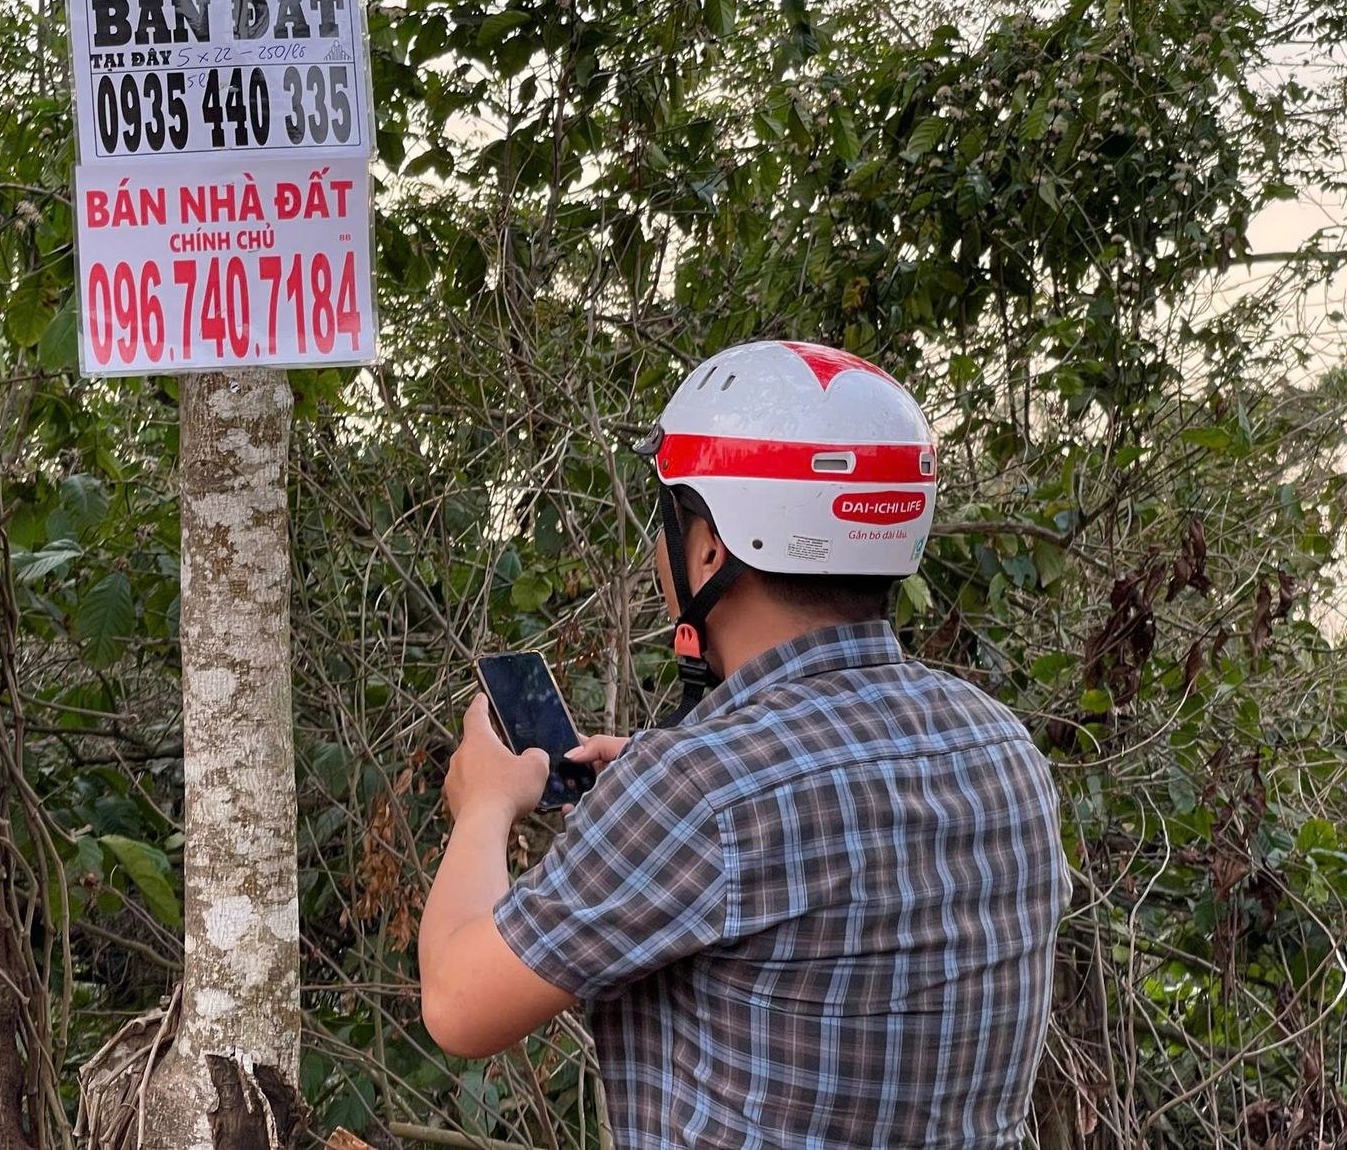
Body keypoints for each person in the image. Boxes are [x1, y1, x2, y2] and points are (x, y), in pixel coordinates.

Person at [418, 340, 1068, 1150]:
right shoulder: (1003, 748)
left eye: (668, 521)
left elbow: (456, 1002)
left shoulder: (698, 791)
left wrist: (485, 806)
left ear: (709, 550)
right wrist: (662, 788)